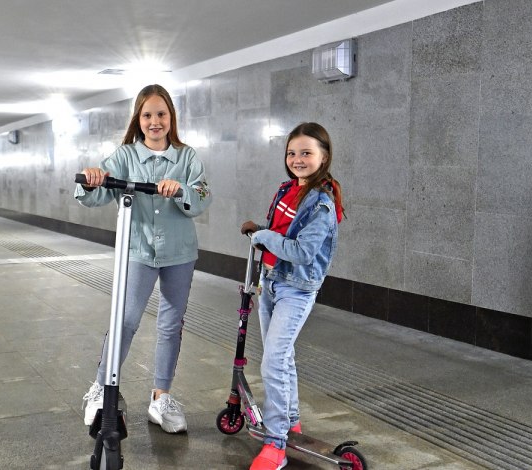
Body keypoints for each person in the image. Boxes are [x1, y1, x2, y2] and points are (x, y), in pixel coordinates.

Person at [75, 84, 212, 434]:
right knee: (126, 319)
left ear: (171, 118)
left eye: (161, 114)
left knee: (171, 323)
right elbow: (97, 192)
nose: (155, 121)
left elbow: (202, 195)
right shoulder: (124, 157)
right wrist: (92, 181)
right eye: (148, 115)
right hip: (137, 250)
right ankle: (102, 386)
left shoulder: (187, 157)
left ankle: (161, 397)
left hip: (179, 252)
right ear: (138, 118)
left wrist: (181, 189)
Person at [239, 122, 344, 470]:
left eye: (306, 153)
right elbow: (280, 234)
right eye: (292, 153)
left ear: (324, 157)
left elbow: (301, 251)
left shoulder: (322, 204)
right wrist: (262, 232)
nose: (297, 159)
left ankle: (276, 444)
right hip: (270, 281)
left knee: (273, 361)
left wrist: (264, 237)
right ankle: (291, 421)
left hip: (295, 288)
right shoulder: (287, 189)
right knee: (282, 359)